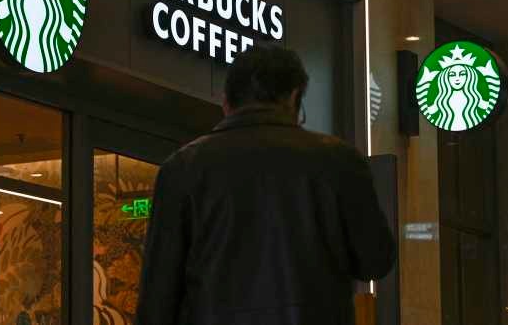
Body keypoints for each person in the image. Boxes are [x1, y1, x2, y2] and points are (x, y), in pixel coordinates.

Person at [135, 46, 396, 325]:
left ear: (226, 102)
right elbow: (375, 261)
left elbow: (157, 297)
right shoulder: (339, 161)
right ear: (294, 96)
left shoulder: (182, 168)